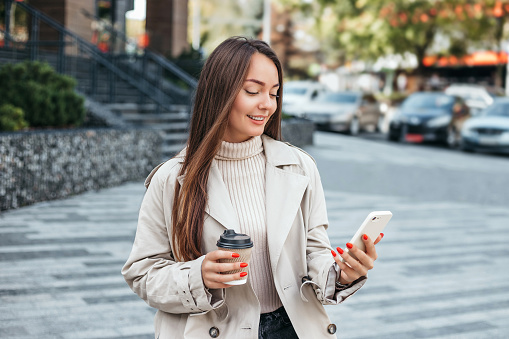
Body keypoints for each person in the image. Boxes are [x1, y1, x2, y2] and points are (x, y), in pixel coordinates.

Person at [122, 36, 383, 339]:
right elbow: (142, 273)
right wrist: (199, 276)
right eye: (252, 91)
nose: (267, 104)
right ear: (220, 93)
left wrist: (341, 274)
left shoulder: (299, 168)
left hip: (291, 329)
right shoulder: (172, 179)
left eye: (274, 93)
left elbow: (314, 253)